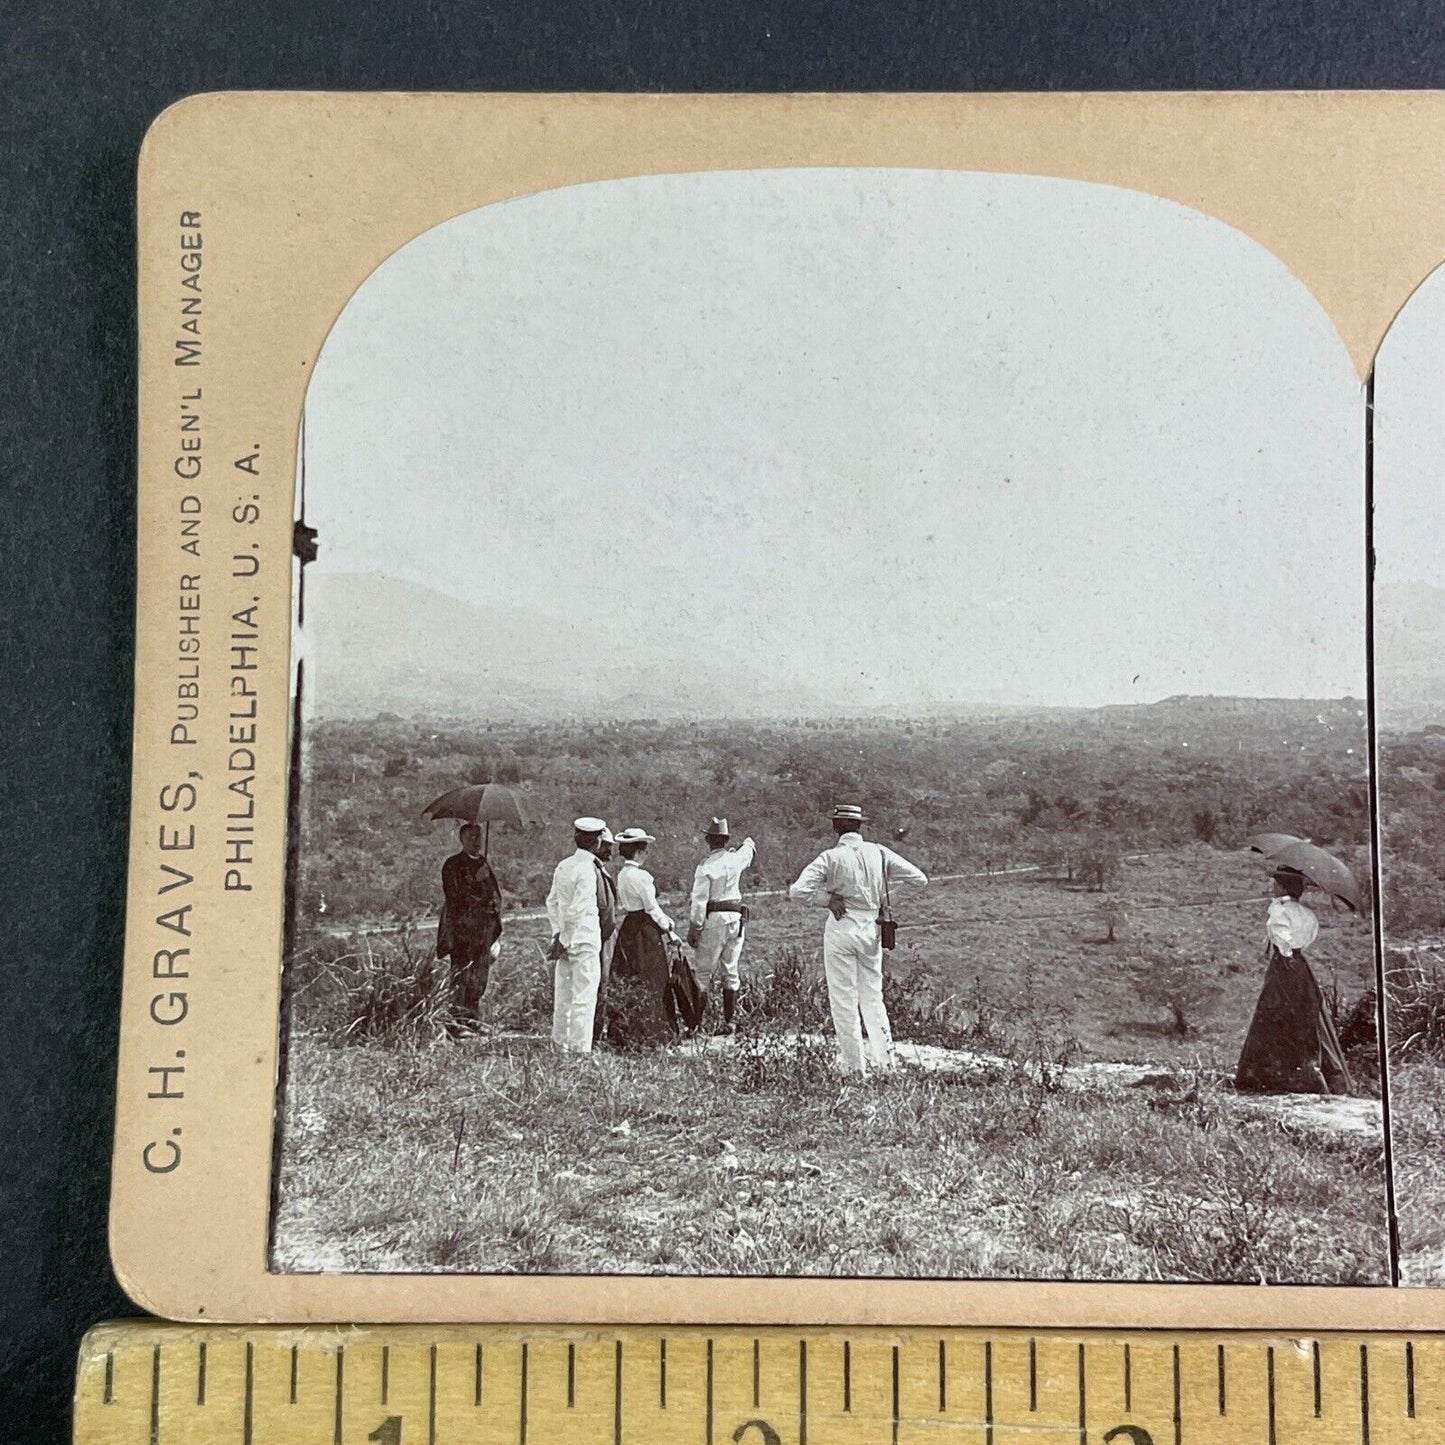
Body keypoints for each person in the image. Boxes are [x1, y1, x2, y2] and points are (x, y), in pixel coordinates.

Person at [789, 803, 928, 1075]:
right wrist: (883, 902)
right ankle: (887, 1065)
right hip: (871, 927)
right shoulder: (878, 852)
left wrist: (826, 899)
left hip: (842, 925)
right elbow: (918, 879)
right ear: (860, 825)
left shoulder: (830, 857)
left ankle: (855, 1069)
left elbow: (797, 891)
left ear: (835, 827)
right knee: (872, 997)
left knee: (843, 999)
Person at [1235, 867, 1354, 1095]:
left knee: (1274, 1014)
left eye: (1277, 884)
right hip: (1301, 966)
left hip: (1284, 965)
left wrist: (1286, 955)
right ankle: (1312, 1073)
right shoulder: (1306, 913)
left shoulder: (1280, 912)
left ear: (1282, 886)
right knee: (1306, 1014)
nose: (1274, 887)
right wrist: (1292, 954)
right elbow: (1306, 939)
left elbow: (1282, 941)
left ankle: (1272, 1076)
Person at [609, 827, 683, 1044]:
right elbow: (652, 908)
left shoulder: (622, 875)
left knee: (630, 973)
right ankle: (656, 1033)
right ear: (639, 852)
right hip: (645, 929)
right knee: (653, 977)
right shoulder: (642, 876)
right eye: (645, 850)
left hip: (629, 927)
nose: (647, 854)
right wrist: (670, 931)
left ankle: (627, 1031)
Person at [688, 818, 756, 1033]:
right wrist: (743, 846)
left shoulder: (705, 867)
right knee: (730, 969)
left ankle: (696, 1025)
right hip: (736, 918)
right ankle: (730, 1022)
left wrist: (694, 928)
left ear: (708, 840)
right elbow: (750, 848)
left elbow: (699, 901)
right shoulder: (737, 859)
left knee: (703, 972)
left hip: (714, 919)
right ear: (726, 840)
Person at [545, 817, 607, 1053]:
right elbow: (578, 909)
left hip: (566, 939)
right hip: (583, 939)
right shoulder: (587, 869)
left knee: (564, 995)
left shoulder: (564, 865)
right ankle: (580, 1051)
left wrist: (558, 934)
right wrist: (564, 938)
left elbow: (552, 902)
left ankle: (560, 1045)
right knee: (584, 996)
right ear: (598, 841)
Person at [439, 823, 502, 1034]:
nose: (476, 841)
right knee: (461, 976)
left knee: (479, 978)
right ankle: (456, 1023)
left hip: (482, 933)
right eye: (471, 837)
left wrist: (494, 911)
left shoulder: (484, 865)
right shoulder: (452, 865)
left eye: (478, 837)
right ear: (462, 839)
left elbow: (493, 895)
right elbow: (455, 897)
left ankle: (472, 1019)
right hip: (462, 933)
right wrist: (476, 881)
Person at [591, 825, 619, 1046]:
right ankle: (595, 1032)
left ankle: (597, 1030)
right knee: (600, 983)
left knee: (604, 982)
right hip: (600, 937)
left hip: (604, 936)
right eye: (607, 847)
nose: (610, 851)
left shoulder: (600, 870)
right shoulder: (594, 871)